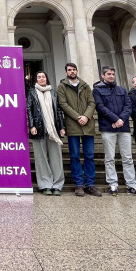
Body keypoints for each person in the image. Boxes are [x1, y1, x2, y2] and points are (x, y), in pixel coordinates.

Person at [93, 66, 136, 196]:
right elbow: (100, 107)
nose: (111, 76)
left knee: (128, 158)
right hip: (108, 128)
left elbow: (128, 105)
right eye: (108, 74)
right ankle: (113, 184)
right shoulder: (97, 90)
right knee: (109, 158)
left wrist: (121, 119)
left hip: (123, 127)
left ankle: (131, 185)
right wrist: (115, 119)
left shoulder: (121, 89)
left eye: (113, 74)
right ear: (102, 76)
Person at [57, 62, 101, 197]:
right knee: (74, 156)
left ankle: (90, 184)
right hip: (73, 124)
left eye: (74, 69)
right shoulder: (62, 86)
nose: (72, 72)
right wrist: (78, 117)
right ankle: (79, 185)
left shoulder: (85, 85)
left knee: (89, 156)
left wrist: (86, 116)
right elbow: (63, 104)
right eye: (69, 70)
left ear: (77, 71)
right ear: (66, 72)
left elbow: (92, 102)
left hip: (87, 125)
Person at [26, 71, 65, 196]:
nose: (41, 79)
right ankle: (45, 185)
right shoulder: (32, 92)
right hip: (38, 127)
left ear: (46, 79)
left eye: (43, 77)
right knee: (41, 158)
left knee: (56, 157)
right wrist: (32, 125)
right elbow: (29, 110)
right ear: (35, 80)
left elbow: (58, 110)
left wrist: (62, 127)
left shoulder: (53, 92)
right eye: (39, 77)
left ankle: (57, 185)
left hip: (53, 128)